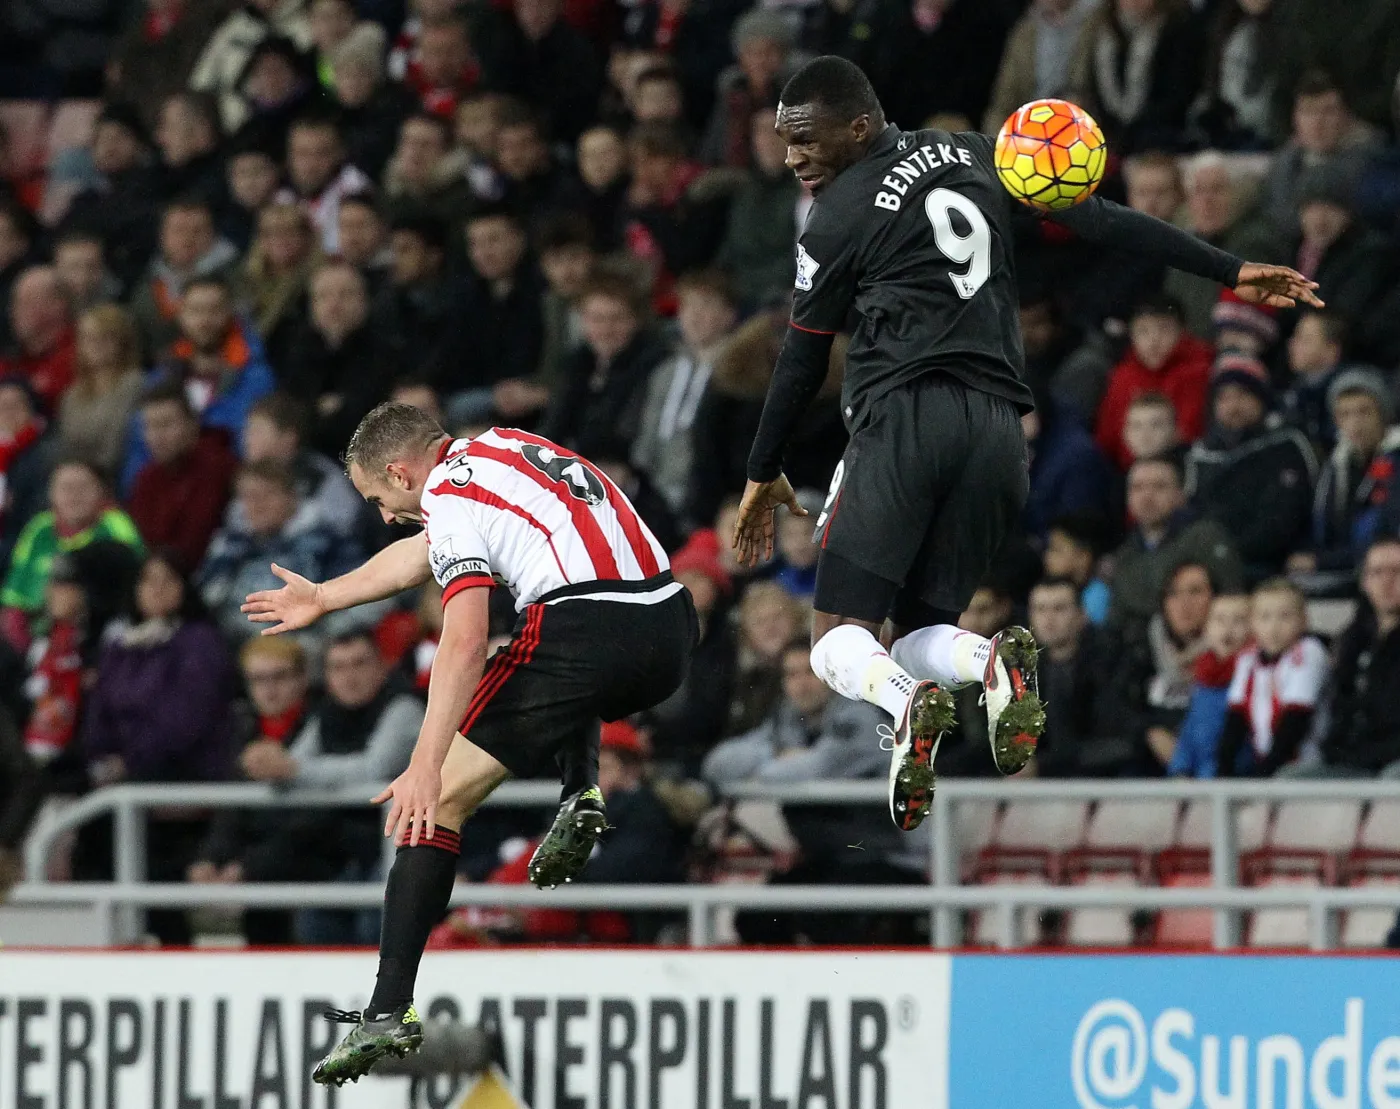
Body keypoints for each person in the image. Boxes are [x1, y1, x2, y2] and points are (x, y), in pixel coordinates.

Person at [730, 55, 1320, 831]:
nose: (793, 158)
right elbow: (1101, 219)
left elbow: (804, 353)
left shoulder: (837, 217)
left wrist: (762, 467)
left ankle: (908, 711)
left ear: (861, 127)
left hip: (904, 420)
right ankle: (989, 662)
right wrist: (1229, 268)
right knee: (915, 637)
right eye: (784, 141)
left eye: (806, 140)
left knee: (834, 640)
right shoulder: (981, 154)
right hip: (1002, 434)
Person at [240, 402, 696, 1083]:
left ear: (400, 471)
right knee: (541, 654)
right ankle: (580, 788)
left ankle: (389, 1009)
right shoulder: (504, 448)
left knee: (432, 807)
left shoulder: (449, 492)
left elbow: (461, 640)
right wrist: (327, 596)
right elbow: (421, 553)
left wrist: (425, 765)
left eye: (379, 498)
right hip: (670, 627)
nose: (386, 514)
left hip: (589, 631)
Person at [1185, 353, 1317, 582]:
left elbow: (1283, 519)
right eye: (1224, 398)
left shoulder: (1286, 445)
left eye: (1243, 395)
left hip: (1275, 569)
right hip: (1213, 568)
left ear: (1261, 399)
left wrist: (1227, 552)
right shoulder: (1200, 455)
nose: (1233, 406)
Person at [1107, 455, 1243, 631]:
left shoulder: (1206, 537)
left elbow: (1232, 596)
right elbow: (1119, 622)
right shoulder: (1124, 555)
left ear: (1180, 495)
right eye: (1137, 488)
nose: (1147, 496)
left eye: (1159, 487)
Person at [1216, 578, 1328, 777]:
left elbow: (1295, 722)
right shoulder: (1247, 659)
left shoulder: (1309, 652)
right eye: (1264, 617)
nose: (1274, 627)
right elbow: (1234, 722)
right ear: (1252, 623)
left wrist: (1264, 776)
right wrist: (1222, 774)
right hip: (1267, 762)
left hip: (1307, 763)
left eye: (1285, 617)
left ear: (1303, 620)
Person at [1094, 293, 1214, 471]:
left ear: (1182, 332)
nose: (1153, 341)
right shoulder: (1122, 376)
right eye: (1143, 331)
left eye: (1164, 329)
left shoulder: (1199, 372)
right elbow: (1107, 438)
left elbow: (1191, 433)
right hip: (1127, 472)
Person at [127, 381, 239, 571]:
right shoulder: (146, 478)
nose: (157, 436)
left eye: (166, 425)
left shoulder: (218, 469)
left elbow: (194, 546)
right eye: (150, 426)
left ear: (192, 424)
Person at [1168, 591, 1252, 778]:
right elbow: (1190, 731)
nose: (1227, 629)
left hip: (1234, 779)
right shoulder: (1203, 677)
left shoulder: (1255, 675)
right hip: (1200, 779)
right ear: (1206, 628)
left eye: (1238, 620)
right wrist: (1179, 769)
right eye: (1219, 620)